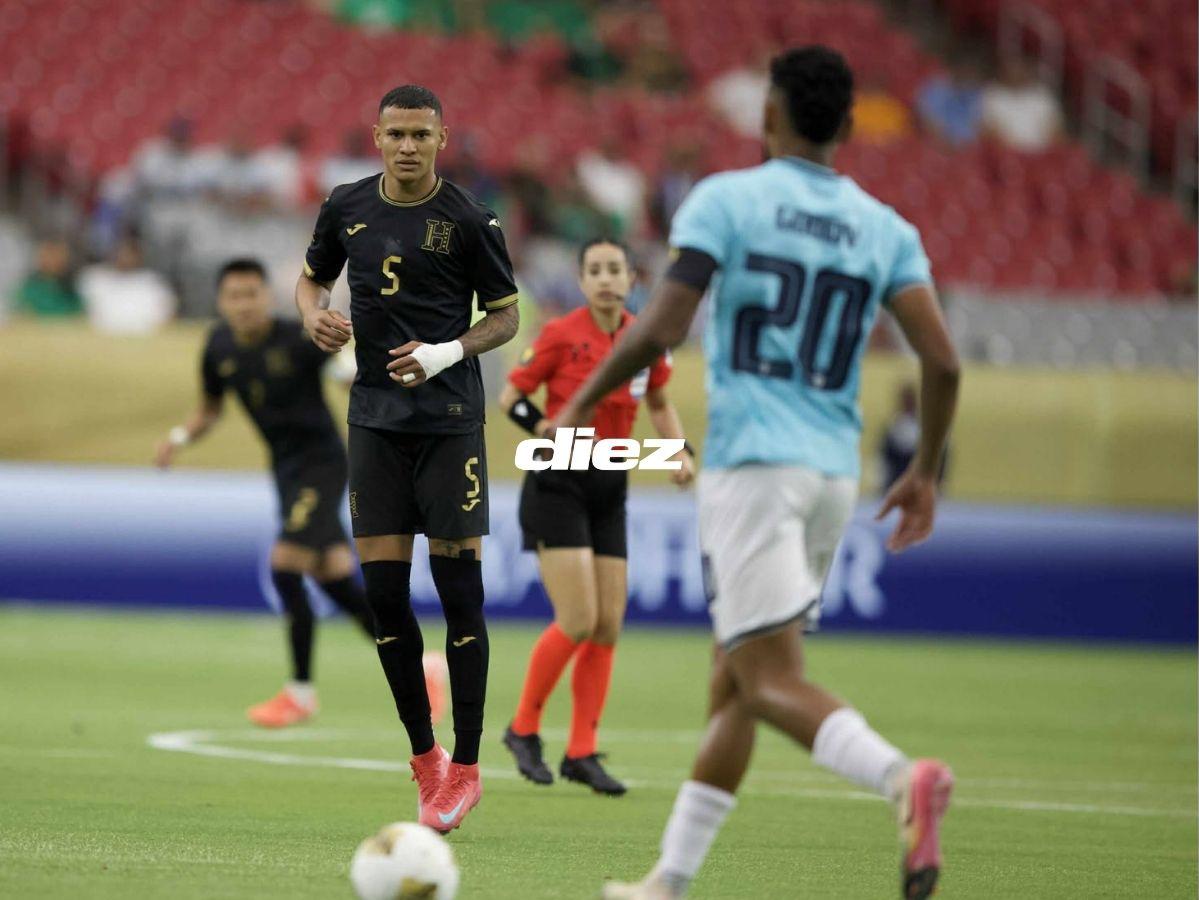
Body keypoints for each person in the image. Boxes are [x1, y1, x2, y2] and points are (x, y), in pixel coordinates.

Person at [553, 46, 961, 900]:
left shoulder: (727, 200)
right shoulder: (886, 226)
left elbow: (664, 323)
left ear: (768, 118)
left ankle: (900, 779)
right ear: (849, 127)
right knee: (734, 678)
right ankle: (667, 881)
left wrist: (582, 399)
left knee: (767, 679)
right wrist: (924, 469)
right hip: (830, 477)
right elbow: (943, 362)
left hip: (752, 469)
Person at [294, 84, 520, 834]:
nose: (408, 146)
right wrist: (313, 316)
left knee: (461, 597)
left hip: (451, 422)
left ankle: (468, 764)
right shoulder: (347, 206)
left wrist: (448, 350)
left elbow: (507, 314)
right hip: (375, 422)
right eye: (396, 133)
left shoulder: (466, 219)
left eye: (422, 134)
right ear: (377, 135)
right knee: (386, 599)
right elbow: (310, 277)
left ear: (442, 139)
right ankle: (425, 761)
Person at [499, 238, 694, 796]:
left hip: (610, 485)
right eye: (595, 270)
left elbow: (658, 403)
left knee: (608, 623)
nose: (606, 278)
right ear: (582, 281)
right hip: (557, 483)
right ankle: (523, 728)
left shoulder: (647, 339)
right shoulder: (561, 334)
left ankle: (581, 750)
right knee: (579, 619)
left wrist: (680, 451)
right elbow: (512, 396)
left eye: (615, 269)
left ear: (632, 278)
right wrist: (540, 429)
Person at [155, 258, 375, 727]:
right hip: (286, 471)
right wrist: (178, 438)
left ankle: (299, 692)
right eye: (234, 296)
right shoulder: (217, 346)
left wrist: (354, 373)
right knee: (337, 581)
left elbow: (341, 371)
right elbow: (211, 408)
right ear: (221, 302)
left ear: (267, 297)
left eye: (252, 293)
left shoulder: (297, 337)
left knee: (286, 564)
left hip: (324, 464)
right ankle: (423, 665)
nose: (244, 304)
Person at [78, 234, 176, 335]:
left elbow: (168, 318)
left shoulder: (153, 283)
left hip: (143, 342)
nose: (125, 257)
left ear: (139, 255)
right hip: (98, 340)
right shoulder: (93, 278)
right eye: (121, 252)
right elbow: (79, 314)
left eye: (130, 253)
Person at [980, 55, 1063, 152]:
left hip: (1042, 153)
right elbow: (989, 130)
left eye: (1020, 68)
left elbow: (1055, 129)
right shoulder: (992, 94)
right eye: (1012, 68)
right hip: (1006, 154)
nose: (1016, 72)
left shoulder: (1042, 95)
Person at [11, 238, 82, 318]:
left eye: (58, 256)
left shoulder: (71, 290)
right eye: (49, 255)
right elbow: (19, 314)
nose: (53, 260)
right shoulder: (28, 289)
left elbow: (79, 315)